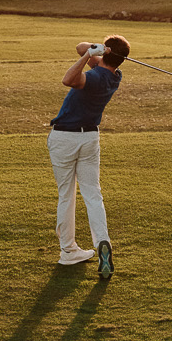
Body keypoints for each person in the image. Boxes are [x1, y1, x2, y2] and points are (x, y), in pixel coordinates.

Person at [48, 35, 127, 280]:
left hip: (65, 138)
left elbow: (68, 79)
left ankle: (68, 251)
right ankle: (102, 241)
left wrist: (87, 55)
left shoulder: (93, 77)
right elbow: (80, 46)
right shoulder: (115, 76)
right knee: (93, 193)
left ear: (107, 53)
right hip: (90, 138)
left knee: (66, 194)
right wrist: (97, 49)